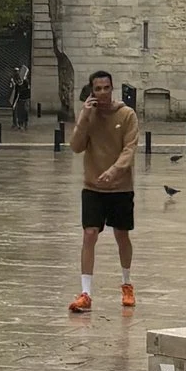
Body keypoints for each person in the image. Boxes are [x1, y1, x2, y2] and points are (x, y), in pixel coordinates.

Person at [69, 67, 138, 317]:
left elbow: (129, 149)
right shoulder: (88, 115)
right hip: (93, 186)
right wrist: (83, 119)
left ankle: (126, 283)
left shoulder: (127, 115)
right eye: (97, 89)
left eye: (106, 88)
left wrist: (115, 170)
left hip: (120, 186)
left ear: (112, 88)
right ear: (92, 92)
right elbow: (76, 147)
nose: (103, 93)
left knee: (122, 234)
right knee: (89, 234)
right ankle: (85, 292)